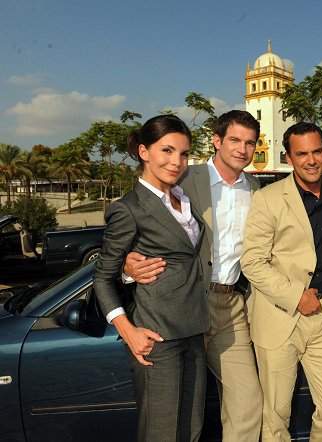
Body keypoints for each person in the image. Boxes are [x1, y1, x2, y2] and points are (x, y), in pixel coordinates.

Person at [123, 110, 263, 441]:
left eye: (249, 143)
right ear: (217, 141)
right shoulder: (183, 177)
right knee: (179, 416)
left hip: (231, 308)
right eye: (234, 140)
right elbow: (134, 224)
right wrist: (126, 267)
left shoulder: (256, 188)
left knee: (248, 403)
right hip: (184, 306)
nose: (241, 150)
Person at [93, 115, 208, 442]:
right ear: (144, 151)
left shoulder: (184, 199)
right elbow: (101, 277)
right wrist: (127, 330)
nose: (177, 162)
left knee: (191, 430)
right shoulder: (129, 208)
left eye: (184, 154)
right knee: (162, 432)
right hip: (157, 337)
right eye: (167, 151)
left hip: (196, 329)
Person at [240, 122, 322, 441]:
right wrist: (295, 295)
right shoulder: (268, 199)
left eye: (317, 151)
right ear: (289, 158)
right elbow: (252, 261)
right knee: (275, 415)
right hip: (279, 316)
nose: (311, 160)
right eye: (301, 153)